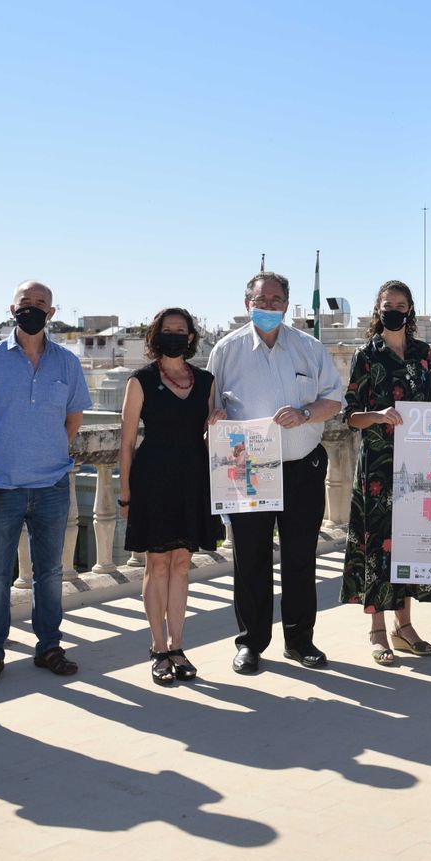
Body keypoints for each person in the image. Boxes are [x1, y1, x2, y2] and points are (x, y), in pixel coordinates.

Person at [208, 273, 345, 674]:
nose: (268, 305)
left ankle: (300, 640)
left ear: (287, 304)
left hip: (302, 468)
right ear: (247, 302)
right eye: (260, 298)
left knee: (301, 558)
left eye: (276, 299)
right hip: (248, 470)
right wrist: (214, 419)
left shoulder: (309, 348)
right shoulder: (226, 350)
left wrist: (304, 414)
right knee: (250, 559)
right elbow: (211, 407)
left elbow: (333, 400)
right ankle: (251, 643)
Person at [0, 280, 90, 686]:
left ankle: (49, 646)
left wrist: (49, 452)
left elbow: (73, 418)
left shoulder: (67, 363)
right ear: (11, 308)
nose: (32, 308)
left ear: (51, 313)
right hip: (1, 485)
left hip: (51, 484)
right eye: (25, 302)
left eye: (41, 304)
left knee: (49, 573)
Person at [341, 280, 431, 664]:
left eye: (401, 304)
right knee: (377, 546)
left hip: (417, 464)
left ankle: (406, 626)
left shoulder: (422, 353)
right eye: (388, 303)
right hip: (379, 468)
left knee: (410, 542)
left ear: (410, 308)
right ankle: (378, 631)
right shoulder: (366, 355)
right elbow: (349, 416)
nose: (394, 309)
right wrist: (379, 416)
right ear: (378, 308)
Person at [121, 307, 224, 685]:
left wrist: (219, 422)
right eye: (168, 330)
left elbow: (216, 437)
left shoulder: (207, 381)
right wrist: (125, 491)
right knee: (157, 564)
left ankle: (178, 646)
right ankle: (158, 647)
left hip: (193, 479)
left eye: (181, 330)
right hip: (153, 479)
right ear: (156, 334)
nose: (175, 335)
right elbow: (128, 441)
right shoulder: (140, 381)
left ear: (192, 337)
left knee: (182, 563)